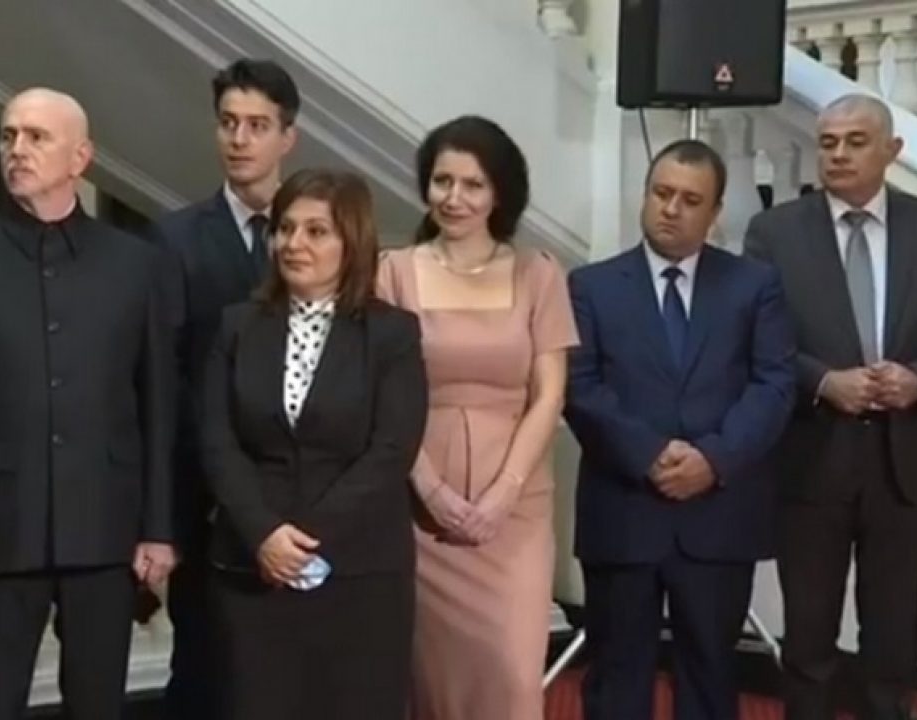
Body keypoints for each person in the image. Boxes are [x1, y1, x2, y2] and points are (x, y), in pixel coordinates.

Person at [0, 87, 177, 719]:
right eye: (8, 135)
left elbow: (159, 407)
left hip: (105, 530)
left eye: (36, 137)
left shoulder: (136, 265)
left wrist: (159, 526)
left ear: (81, 157)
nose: (16, 149)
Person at [744, 93, 917, 720]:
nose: (838, 154)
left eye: (855, 141)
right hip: (811, 460)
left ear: (892, 150)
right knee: (809, 637)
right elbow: (757, 339)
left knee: (893, 636)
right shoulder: (774, 233)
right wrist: (823, 382)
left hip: (905, 463)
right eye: (828, 142)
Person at [565, 140, 796, 720]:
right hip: (624, 512)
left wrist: (712, 461)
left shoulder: (754, 285)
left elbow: (774, 385)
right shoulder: (591, 286)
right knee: (617, 679)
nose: (671, 209)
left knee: (711, 677)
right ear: (645, 195)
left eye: (690, 200)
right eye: (662, 193)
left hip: (717, 516)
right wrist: (649, 454)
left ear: (715, 211)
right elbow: (579, 387)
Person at [201, 168, 427, 720]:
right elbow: (216, 438)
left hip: (359, 571)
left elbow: (392, 449)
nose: (293, 243)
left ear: (353, 242)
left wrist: (306, 539)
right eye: (285, 228)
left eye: (316, 231)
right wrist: (264, 533)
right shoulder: (237, 326)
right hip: (255, 566)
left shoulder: (393, 334)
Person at [376, 115, 577, 720]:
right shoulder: (392, 272)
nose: (454, 198)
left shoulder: (540, 273)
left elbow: (549, 396)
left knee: (513, 676)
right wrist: (431, 491)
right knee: (432, 684)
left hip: (515, 515)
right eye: (443, 181)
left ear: (500, 194)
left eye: (472, 184)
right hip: (418, 512)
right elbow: (382, 398)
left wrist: (502, 495)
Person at [148, 58, 300, 720]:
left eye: (257, 125)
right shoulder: (173, 239)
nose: (239, 139)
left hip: (302, 493)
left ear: (288, 137)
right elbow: (165, 374)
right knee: (206, 673)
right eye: (228, 123)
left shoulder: (321, 234)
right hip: (206, 500)